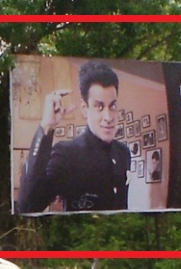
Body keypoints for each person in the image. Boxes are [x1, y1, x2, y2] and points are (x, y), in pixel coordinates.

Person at [17, 61, 132, 213]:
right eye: (99, 106)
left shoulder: (123, 152)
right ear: (85, 109)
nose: (108, 117)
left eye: (112, 106)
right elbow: (27, 206)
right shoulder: (66, 154)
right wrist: (47, 125)